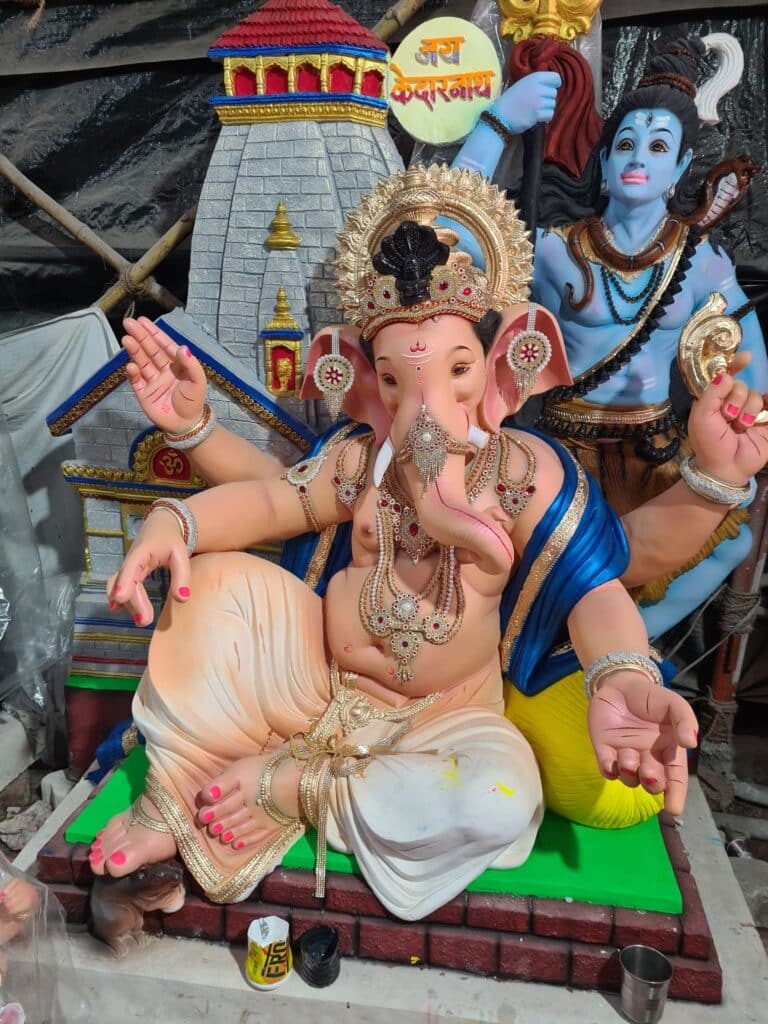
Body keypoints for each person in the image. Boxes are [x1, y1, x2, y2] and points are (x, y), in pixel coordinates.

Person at [87, 167, 720, 920]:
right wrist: (178, 523)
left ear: (505, 365)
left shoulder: (521, 472)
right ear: (365, 382)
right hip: (315, 685)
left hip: (447, 720)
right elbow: (270, 500)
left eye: (457, 372)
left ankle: (296, 788)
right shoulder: (361, 460)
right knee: (212, 587)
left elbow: (592, 590)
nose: (425, 411)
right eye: (395, 383)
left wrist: (619, 674)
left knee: (502, 798)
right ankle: (180, 789)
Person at [452, 36, 768, 637]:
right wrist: (497, 124)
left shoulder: (701, 261)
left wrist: (747, 430)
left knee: (730, 543)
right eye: (624, 143)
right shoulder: (554, 249)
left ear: (681, 168)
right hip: (562, 449)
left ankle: (627, 649)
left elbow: (749, 356)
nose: (637, 157)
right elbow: (447, 230)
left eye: (658, 146)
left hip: (657, 450)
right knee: (531, 564)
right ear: (602, 163)